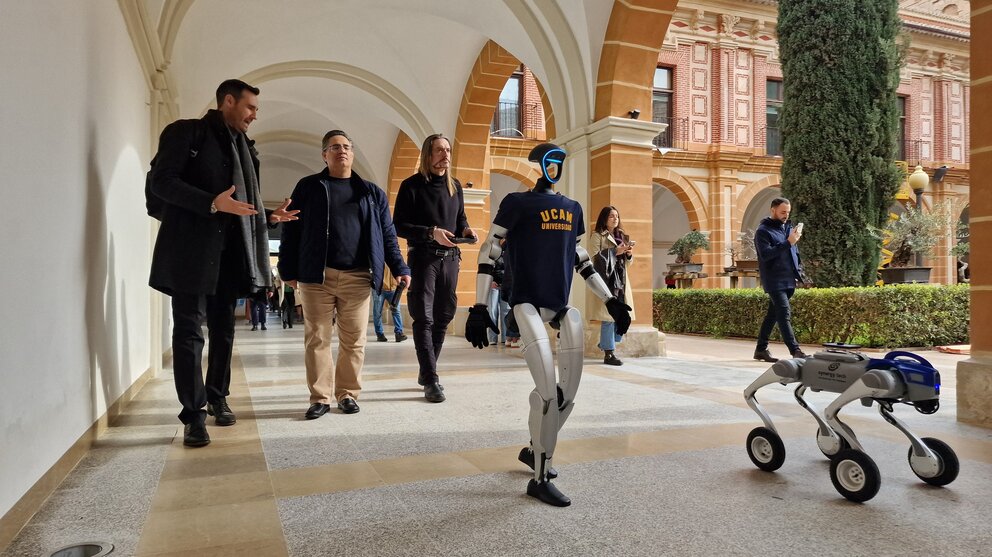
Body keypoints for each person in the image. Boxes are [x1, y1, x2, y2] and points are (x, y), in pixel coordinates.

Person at [465, 143, 632, 507]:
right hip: (525, 302)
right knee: (545, 395)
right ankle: (540, 477)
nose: (554, 166)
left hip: (561, 306)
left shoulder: (573, 208)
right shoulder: (517, 202)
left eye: (560, 161)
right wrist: (478, 307)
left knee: (565, 396)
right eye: (549, 161)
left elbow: (581, 258)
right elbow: (490, 249)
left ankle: (533, 449)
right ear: (539, 164)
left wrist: (612, 300)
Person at [149, 79, 298, 447]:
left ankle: (218, 396)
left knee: (224, 330)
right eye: (249, 108)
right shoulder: (187, 133)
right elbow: (161, 184)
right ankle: (193, 415)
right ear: (228, 101)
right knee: (188, 332)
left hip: (232, 253)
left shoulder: (246, 150)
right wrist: (211, 203)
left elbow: (239, 203)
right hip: (190, 250)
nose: (254, 116)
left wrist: (268, 217)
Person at [278, 130, 410, 419]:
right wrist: (286, 269)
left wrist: (400, 267)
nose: (342, 151)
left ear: (352, 152)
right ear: (324, 154)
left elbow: (387, 235)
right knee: (318, 339)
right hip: (317, 276)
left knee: (354, 340)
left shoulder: (371, 192)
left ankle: (348, 393)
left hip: (359, 276)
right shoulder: (309, 187)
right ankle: (320, 397)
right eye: (335, 147)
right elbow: (292, 229)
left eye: (347, 146)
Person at [392, 133, 475, 403]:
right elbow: (398, 226)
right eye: (439, 150)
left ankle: (428, 370)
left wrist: (465, 229)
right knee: (423, 317)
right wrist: (431, 232)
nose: (445, 155)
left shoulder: (455, 187)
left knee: (444, 316)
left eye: (448, 150)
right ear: (428, 154)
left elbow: (460, 216)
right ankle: (430, 378)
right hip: (424, 258)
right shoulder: (411, 186)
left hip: (451, 258)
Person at [753, 197, 808, 362]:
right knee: (784, 313)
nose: (786, 215)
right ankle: (795, 350)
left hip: (789, 278)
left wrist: (798, 268)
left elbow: (793, 251)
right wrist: (788, 242)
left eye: (788, 212)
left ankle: (760, 350)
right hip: (774, 279)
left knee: (773, 315)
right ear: (773, 210)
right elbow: (766, 255)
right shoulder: (762, 231)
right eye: (783, 212)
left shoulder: (788, 229)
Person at [589, 206, 636, 365]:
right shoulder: (597, 236)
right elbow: (595, 259)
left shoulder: (621, 236)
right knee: (609, 316)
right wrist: (615, 251)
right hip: (606, 282)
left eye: (617, 216)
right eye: (611, 216)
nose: (615, 219)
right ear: (604, 218)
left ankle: (606, 343)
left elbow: (627, 264)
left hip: (620, 282)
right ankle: (609, 354)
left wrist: (628, 255)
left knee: (622, 315)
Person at [372, 268, 408, 342]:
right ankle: (380, 334)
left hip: (394, 288)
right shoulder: (379, 257)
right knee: (377, 312)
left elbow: (402, 270)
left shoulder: (396, 257)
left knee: (396, 311)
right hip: (379, 289)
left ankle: (399, 333)